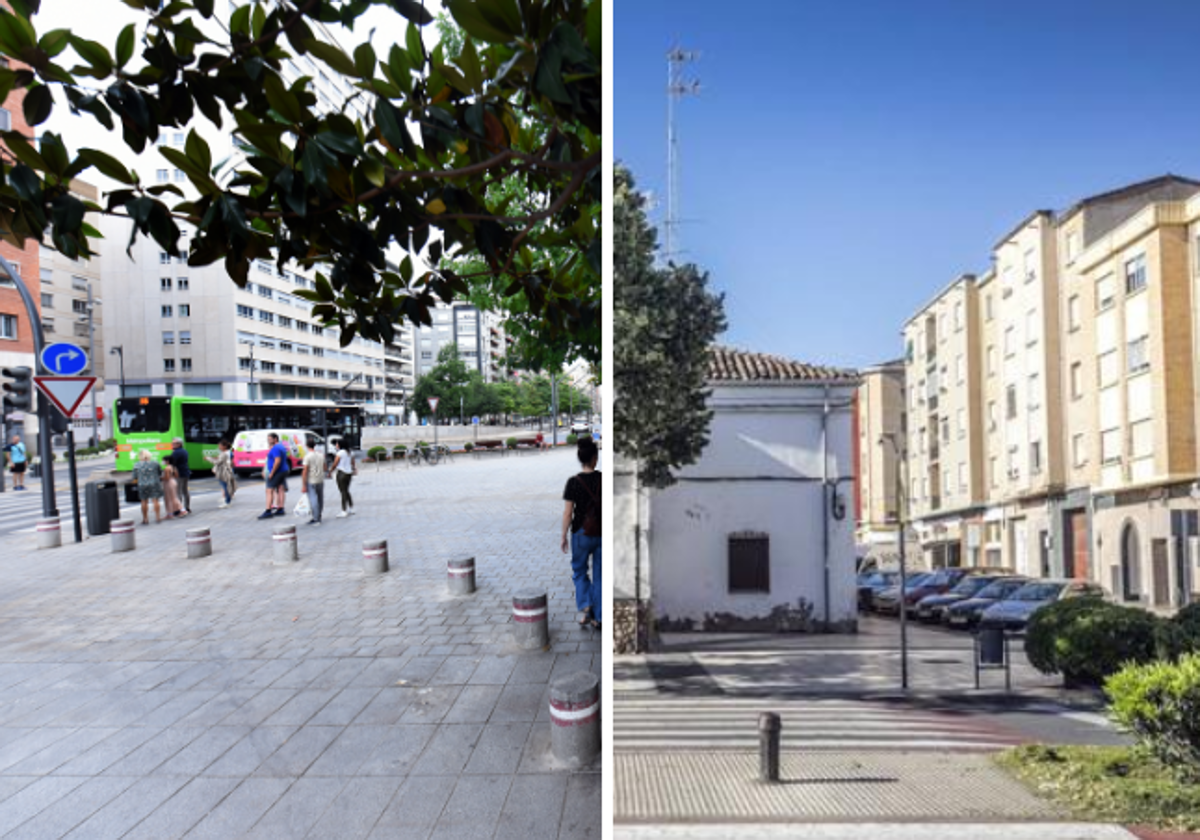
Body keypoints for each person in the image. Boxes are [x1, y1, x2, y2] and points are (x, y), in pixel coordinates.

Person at [561, 436, 601, 630]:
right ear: (595, 458)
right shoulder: (604, 478)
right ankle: (598, 617)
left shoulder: (573, 482)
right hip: (603, 534)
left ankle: (586, 609)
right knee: (601, 575)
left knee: (579, 572)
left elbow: (568, 513)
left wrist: (563, 536)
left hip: (580, 534)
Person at [259, 432, 290, 519]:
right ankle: (281, 508)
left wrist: (272, 473)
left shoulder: (275, 448)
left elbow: (277, 461)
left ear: (275, 439)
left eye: (270, 439)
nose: (268, 441)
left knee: (269, 490)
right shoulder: (281, 446)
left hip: (277, 471)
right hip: (283, 470)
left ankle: (268, 510)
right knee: (280, 489)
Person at [131, 450, 165, 524]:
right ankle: (158, 517)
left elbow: (134, 476)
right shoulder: (155, 463)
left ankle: (145, 519)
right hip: (154, 483)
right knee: (155, 500)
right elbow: (160, 472)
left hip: (142, 484)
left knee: (144, 501)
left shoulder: (137, 465)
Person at [206, 439, 236, 508]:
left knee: (226, 487)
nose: (219, 447)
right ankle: (227, 500)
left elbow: (218, 462)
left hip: (224, 472)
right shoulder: (227, 453)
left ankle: (227, 502)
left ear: (224, 446)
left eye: (220, 446)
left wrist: (209, 458)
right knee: (226, 486)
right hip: (226, 471)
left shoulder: (226, 453)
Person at [301, 443, 325, 525]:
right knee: (320, 498)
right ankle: (319, 514)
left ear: (307, 446)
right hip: (320, 479)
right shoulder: (321, 455)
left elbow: (305, 471)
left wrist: (304, 485)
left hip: (311, 480)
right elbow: (325, 467)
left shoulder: (307, 457)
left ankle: (316, 518)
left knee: (313, 499)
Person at [166, 437, 191, 515]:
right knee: (185, 491)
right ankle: (187, 507)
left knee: (178, 492)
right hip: (185, 472)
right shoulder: (184, 451)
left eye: (174, 443)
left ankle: (179, 509)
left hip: (178, 473)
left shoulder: (176, 452)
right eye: (172, 443)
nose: (172, 445)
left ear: (179, 444)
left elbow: (171, 462)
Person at [333, 439, 357, 518]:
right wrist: (354, 469)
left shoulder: (340, 453)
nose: (336, 445)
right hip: (349, 473)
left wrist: (330, 471)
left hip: (341, 473)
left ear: (340, 444)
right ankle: (351, 507)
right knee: (346, 490)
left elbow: (335, 463)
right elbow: (353, 463)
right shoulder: (350, 452)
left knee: (343, 491)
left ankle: (344, 510)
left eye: (337, 443)